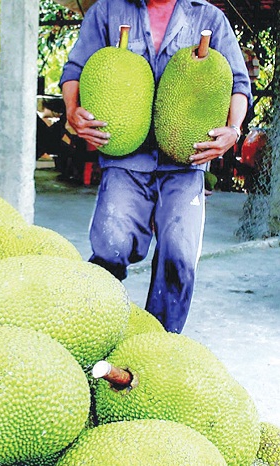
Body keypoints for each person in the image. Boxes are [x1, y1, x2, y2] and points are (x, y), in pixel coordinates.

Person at [60, 0, 251, 333]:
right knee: (111, 245)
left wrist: (233, 130)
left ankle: (159, 342)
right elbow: (74, 70)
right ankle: (93, 331)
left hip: (186, 158)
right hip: (125, 157)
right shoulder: (106, 11)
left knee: (179, 257)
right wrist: (73, 110)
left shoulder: (207, 17)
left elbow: (238, 83)